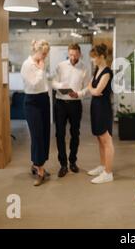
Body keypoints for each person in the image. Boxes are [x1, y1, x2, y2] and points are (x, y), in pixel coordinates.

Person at [52, 43, 90, 178]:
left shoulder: (85, 68)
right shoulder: (61, 66)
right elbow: (53, 83)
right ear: (68, 54)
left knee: (75, 133)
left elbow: (87, 87)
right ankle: (63, 164)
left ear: (80, 54)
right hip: (60, 104)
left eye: (75, 54)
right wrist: (61, 85)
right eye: (71, 54)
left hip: (75, 104)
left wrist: (79, 94)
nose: (73, 57)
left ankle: (72, 161)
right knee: (59, 134)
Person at [20, 39, 51, 187]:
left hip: (44, 99)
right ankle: (40, 171)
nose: (44, 56)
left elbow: (43, 84)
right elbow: (33, 84)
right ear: (36, 51)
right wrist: (40, 69)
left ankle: (37, 164)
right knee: (37, 135)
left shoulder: (40, 64)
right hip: (32, 102)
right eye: (43, 54)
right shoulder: (28, 65)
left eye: (46, 54)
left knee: (45, 134)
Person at [86, 44, 115, 184]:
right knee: (99, 138)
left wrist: (91, 88)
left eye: (94, 57)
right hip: (95, 106)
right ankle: (103, 166)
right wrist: (92, 88)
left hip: (103, 108)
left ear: (102, 56)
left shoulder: (107, 72)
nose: (92, 60)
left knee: (106, 140)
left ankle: (108, 173)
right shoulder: (98, 69)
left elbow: (96, 91)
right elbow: (92, 87)